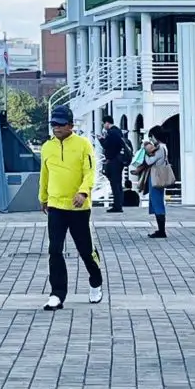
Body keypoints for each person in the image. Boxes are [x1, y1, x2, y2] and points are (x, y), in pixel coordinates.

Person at [38, 102, 104, 310]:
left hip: (78, 206)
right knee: (54, 249)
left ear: (71, 125)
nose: (56, 128)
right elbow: (44, 174)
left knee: (85, 250)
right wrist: (43, 197)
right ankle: (57, 294)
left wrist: (83, 192)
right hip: (56, 205)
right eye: (53, 124)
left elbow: (90, 172)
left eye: (60, 124)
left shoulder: (83, 145)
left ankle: (96, 281)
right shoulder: (47, 147)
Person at [138, 132, 172, 238]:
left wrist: (145, 153)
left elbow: (150, 161)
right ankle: (161, 230)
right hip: (158, 177)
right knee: (158, 202)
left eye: (151, 137)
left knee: (157, 203)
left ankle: (161, 231)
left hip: (156, 177)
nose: (151, 139)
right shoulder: (163, 147)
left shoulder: (160, 148)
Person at [100, 118, 132, 213]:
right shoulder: (118, 131)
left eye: (104, 124)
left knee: (114, 183)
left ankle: (117, 206)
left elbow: (107, 146)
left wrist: (101, 139)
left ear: (107, 123)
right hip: (119, 161)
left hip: (114, 161)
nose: (104, 126)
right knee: (118, 183)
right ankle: (119, 204)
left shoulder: (111, 133)